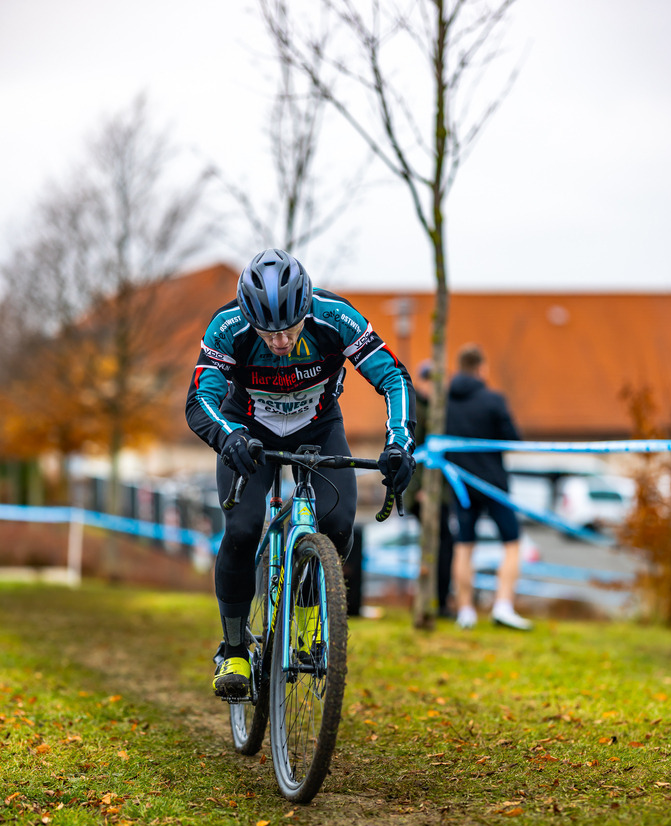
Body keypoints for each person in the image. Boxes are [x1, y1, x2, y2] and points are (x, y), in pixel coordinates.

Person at [186, 248, 416, 698]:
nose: (280, 341)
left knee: (337, 525)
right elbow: (201, 399)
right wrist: (228, 436)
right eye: (267, 332)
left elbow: (394, 379)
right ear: (248, 318)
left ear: (306, 306)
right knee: (243, 528)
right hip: (247, 429)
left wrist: (399, 441)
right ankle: (233, 650)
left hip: (319, 425)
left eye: (289, 329)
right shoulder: (227, 327)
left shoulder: (336, 316)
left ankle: (310, 630)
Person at [446, 344, 531, 631]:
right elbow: (512, 439)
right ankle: (503, 606)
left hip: (460, 485)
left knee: (464, 547)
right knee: (512, 544)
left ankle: (465, 611)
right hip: (494, 484)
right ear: (482, 368)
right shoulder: (493, 400)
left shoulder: (444, 402)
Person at [404, 360, 455, 616]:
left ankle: (438, 600)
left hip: (436, 490)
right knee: (437, 543)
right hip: (423, 492)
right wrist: (422, 489)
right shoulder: (419, 410)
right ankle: (435, 602)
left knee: (442, 543)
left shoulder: (437, 409)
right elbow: (418, 453)